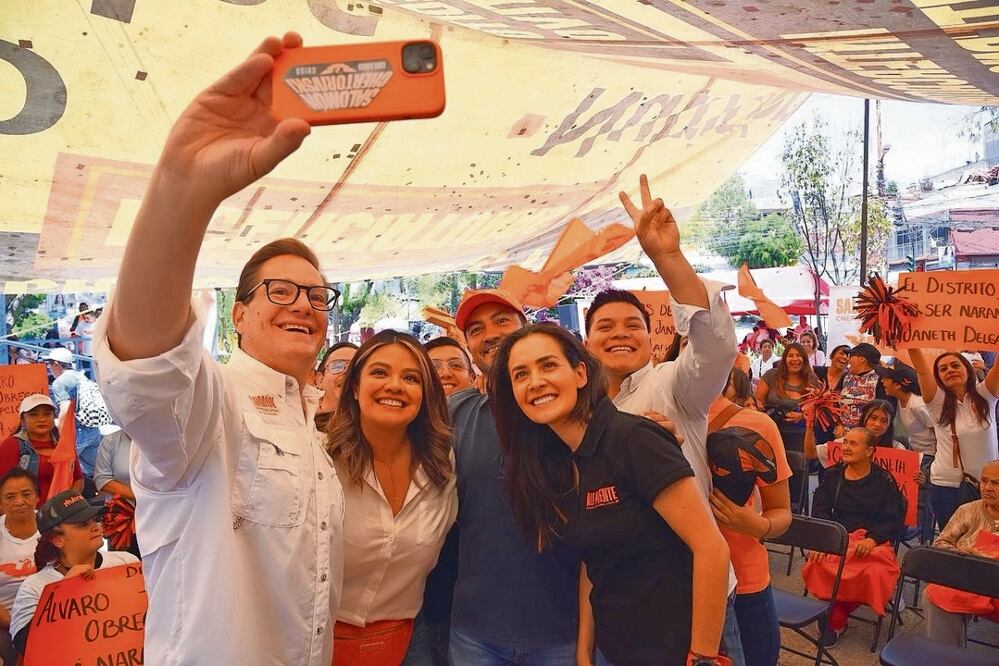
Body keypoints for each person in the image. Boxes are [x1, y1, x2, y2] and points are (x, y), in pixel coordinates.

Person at [93, 33, 345, 665]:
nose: (304, 306)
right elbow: (147, 369)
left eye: (318, 296)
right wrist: (185, 189)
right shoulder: (214, 402)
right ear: (238, 316)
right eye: (281, 290)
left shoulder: (313, 423)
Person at [492, 322, 732, 666]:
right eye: (520, 374)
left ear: (579, 374)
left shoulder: (632, 438)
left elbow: (711, 548)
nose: (535, 381)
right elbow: (595, 560)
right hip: (613, 651)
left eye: (548, 365)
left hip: (675, 651)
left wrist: (703, 657)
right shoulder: (562, 461)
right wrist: (584, 653)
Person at [581, 175, 744, 664]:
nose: (620, 334)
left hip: (696, 595)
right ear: (587, 343)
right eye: (604, 327)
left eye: (633, 325)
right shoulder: (580, 416)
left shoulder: (675, 386)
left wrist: (667, 258)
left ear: (653, 338)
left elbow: (716, 347)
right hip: (620, 602)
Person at [446, 287, 581, 665]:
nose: (489, 333)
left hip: (564, 632)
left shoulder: (577, 414)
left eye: (502, 320)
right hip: (474, 633)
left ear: (526, 328)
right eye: (475, 329)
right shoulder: (457, 411)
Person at [327, 330, 457, 665]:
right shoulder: (320, 460)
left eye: (411, 377)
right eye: (379, 372)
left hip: (407, 644)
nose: (395, 385)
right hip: (318, 643)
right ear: (355, 387)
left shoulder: (443, 466)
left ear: (424, 394)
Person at [707, 383, 792, 666]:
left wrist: (758, 525)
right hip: (669, 583)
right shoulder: (647, 417)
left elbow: (781, 511)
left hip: (743, 580)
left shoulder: (755, 424)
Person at [803, 427, 906, 648]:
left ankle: (833, 615)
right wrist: (824, 540)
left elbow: (893, 515)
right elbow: (820, 510)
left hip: (872, 541)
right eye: (845, 442)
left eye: (853, 444)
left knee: (873, 571)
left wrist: (872, 539)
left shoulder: (883, 480)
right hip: (839, 538)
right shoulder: (832, 475)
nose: (846, 447)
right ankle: (835, 618)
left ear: (870, 451)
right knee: (819, 562)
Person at [9, 489, 139, 656]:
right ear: (58, 539)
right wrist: (64, 592)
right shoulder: (35, 587)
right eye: (83, 524)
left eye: (95, 520)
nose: (95, 527)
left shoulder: (127, 562)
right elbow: (25, 645)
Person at [910, 349, 999, 530]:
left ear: (968, 369)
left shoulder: (985, 395)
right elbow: (921, 369)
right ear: (939, 378)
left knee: (985, 545)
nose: (949, 370)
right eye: (943, 369)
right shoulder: (936, 402)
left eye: (955, 365)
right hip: (945, 487)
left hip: (987, 487)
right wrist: (909, 338)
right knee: (951, 544)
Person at [922, 460, 999, 647]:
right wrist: (960, 553)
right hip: (966, 577)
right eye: (984, 481)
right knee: (933, 594)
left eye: (996, 483)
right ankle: (947, 657)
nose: (987, 487)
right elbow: (940, 544)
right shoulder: (968, 510)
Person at [877, 362, 937, 540]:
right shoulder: (901, 401)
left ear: (897, 384)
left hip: (929, 455)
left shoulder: (917, 405)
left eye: (886, 379)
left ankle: (925, 540)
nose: (882, 382)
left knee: (923, 499)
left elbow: (938, 431)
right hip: (916, 452)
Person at [0, 394, 83, 502]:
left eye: (47, 414)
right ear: (23, 420)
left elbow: (78, 479)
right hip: (27, 513)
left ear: (54, 417)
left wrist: (65, 504)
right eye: (33, 415)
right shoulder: (10, 446)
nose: (41, 419)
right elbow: (3, 486)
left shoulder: (64, 445)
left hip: (64, 513)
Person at [43, 347, 102, 489]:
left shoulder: (60, 383)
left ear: (57, 364)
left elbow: (65, 409)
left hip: (76, 433)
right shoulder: (80, 375)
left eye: (50, 364)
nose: (49, 368)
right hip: (93, 430)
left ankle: (66, 503)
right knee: (98, 470)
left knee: (63, 472)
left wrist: (61, 435)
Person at [0, 470, 40, 666]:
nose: (19, 501)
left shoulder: (53, 527)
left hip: (50, 616)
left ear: (37, 497)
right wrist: (15, 625)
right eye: (10, 496)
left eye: (26, 494)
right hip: (4, 620)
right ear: (0, 502)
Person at [755, 342, 821, 456]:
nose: (795, 359)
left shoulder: (812, 380)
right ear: (784, 359)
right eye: (790, 356)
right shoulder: (771, 376)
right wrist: (762, 410)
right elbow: (757, 400)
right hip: (771, 432)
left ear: (804, 359)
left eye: (798, 355)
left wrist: (802, 416)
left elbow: (819, 410)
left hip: (800, 436)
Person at [93, 428, 139, 555]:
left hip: (159, 513)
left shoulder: (163, 438)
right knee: (123, 563)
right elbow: (102, 480)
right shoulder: (111, 441)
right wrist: (142, 495)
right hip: (122, 518)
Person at [839, 343, 891, 431]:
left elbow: (886, 410)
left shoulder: (881, 379)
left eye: (851, 356)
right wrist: (838, 425)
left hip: (868, 435)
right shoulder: (846, 376)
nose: (848, 359)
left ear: (862, 359)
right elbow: (834, 401)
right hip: (843, 433)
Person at [315, 341, 359, 432]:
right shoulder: (299, 420)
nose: (347, 372)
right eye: (337, 366)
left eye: (355, 368)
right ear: (320, 380)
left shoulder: (371, 430)